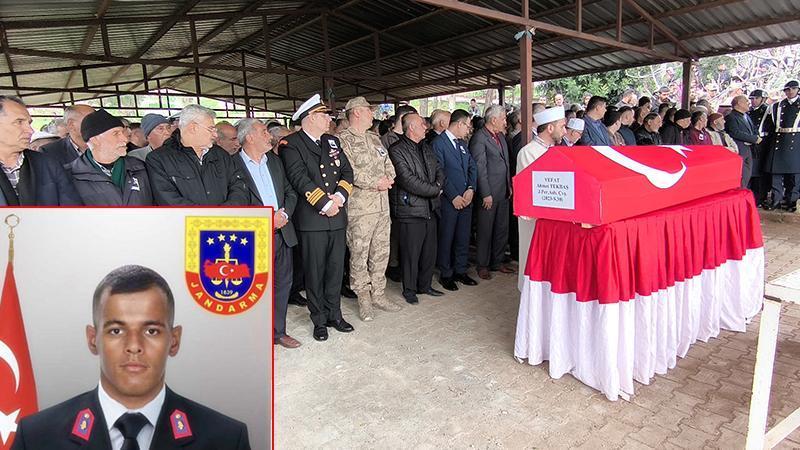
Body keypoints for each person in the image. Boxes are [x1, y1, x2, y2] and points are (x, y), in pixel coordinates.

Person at [11, 265, 250, 450]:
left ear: (174, 340)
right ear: (93, 339)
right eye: (116, 330)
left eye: (151, 331)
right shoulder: (36, 437)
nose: (134, 346)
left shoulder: (226, 439)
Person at [279, 94, 355, 341]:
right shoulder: (290, 144)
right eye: (324, 115)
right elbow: (299, 178)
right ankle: (319, 319)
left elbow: (346, 171)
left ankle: (335, 314)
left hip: (337, 215)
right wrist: (325, 203)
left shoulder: (331, 141)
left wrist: (340, 198)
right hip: (313, 218)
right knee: (315, 272)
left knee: (335, 269)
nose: (329, 119)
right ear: (310, 118)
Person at [233, 118, 301, 349]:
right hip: (254, 236)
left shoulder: (274, 160)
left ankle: (277, 332)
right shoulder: (232, 165)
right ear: (249, 137)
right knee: (252, 288)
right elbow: (233, 204)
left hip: (282, 231)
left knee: (282, 284)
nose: (269, 135)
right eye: (263, 131)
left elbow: (290, 191)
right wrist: (264, 219)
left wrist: (284, 215)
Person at [337, 97, 402, 321]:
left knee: (381, 252)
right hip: (360, 209)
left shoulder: (375, 138)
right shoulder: (342, 140)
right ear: (356, 113)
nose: (372, 114)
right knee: (359, 254)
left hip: (382, 207)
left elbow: (389, 165)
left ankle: (379, 294)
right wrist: (376, 183)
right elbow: (348, 171)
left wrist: (388, 179)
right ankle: (363, 298)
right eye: (368, 110)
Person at [388, 113, 444, 304]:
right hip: (410, 209)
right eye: (422, 124)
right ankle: (409, 289)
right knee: (411, 253)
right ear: (411, 127)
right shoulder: (397, 150)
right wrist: (435, 190)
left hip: (430, 208)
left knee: (429, 251)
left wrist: (436, 187)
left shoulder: (426, 147)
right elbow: (407, 180)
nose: (426, 127)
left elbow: (439, 170)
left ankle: (425, 285)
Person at [146, 104, 249, 206]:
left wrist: (224, 212)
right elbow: (168, 199)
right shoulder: (159, 159)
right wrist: (206, 218)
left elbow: (239, 186)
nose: (215, 135)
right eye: (211, 129)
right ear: (193, 128)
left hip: (224, 221)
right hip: (185, 222)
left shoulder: (221, 155)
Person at [516, 106, 565, 291]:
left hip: (553, 220)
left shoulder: (556, 151)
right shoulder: (528, 152)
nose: (565, 131)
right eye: (562, 126)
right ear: (550, 128)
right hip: (535, 220)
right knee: (531, 258)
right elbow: (531, 190)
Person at [0, 96, 81, 206]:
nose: (30, 130)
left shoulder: (48, 164)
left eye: (29, 123)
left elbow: (72, 210)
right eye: (19, 122)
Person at [432, 109, 478, 292]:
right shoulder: (439, 143)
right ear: (459, 124)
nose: (468, 130)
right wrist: (453, 196)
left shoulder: (462, 144)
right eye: (467, 125)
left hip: (466, 199)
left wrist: (471, 189)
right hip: (449, 201)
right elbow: (440, 172)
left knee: (463, 237)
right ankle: (446, 273)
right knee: (447, 237)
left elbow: (472, 167)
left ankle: (460, 270)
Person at [67, 109, 153, 206]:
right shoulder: (71, 176)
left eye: (123, 133)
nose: (125, 139)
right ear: (94, 139)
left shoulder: (140, 167)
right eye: (116, 134)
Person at [469, 105, 514, 280]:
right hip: (488, 193)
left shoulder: (500, 136)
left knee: (501, 229)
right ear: (493, 119)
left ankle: (497, 261)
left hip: (502, 191)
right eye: (503, 118)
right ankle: (482, 264)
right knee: (485, 230)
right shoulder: (479, 138)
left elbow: (506, 163)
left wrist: (509, 185)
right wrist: (485, 193)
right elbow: (480, 168)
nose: (505, 122)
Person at [764, 80, 800, 211]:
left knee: (794, 176)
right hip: (779, 140)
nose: (790, 92)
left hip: (796, 142)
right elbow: (769, 125)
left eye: (793, 89)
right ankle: (776, 200)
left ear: (797, 90)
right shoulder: (776, 106)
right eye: (787, 90)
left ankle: (792, 201)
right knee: (776, 175)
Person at [726, 95, 760, 190]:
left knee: (747, 174)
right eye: (746, 101)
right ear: (739, 103)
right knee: (740, 174)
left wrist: (756, 136)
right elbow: (734, 132)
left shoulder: (746, 116)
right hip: (739, 148)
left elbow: (753, 129)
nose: (749, 103)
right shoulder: (731, 117)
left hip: (748, 149)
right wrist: (752, 138)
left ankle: (743, 192)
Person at [748, 89, 772, 205]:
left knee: (761, 171)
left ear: (763, 99)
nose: (753, 101)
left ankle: (760, 196)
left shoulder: (768, 111)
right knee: (753, 170)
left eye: (756, 98)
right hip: (752, 142)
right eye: (751, 99)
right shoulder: (749, 112)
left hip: (763, 142)